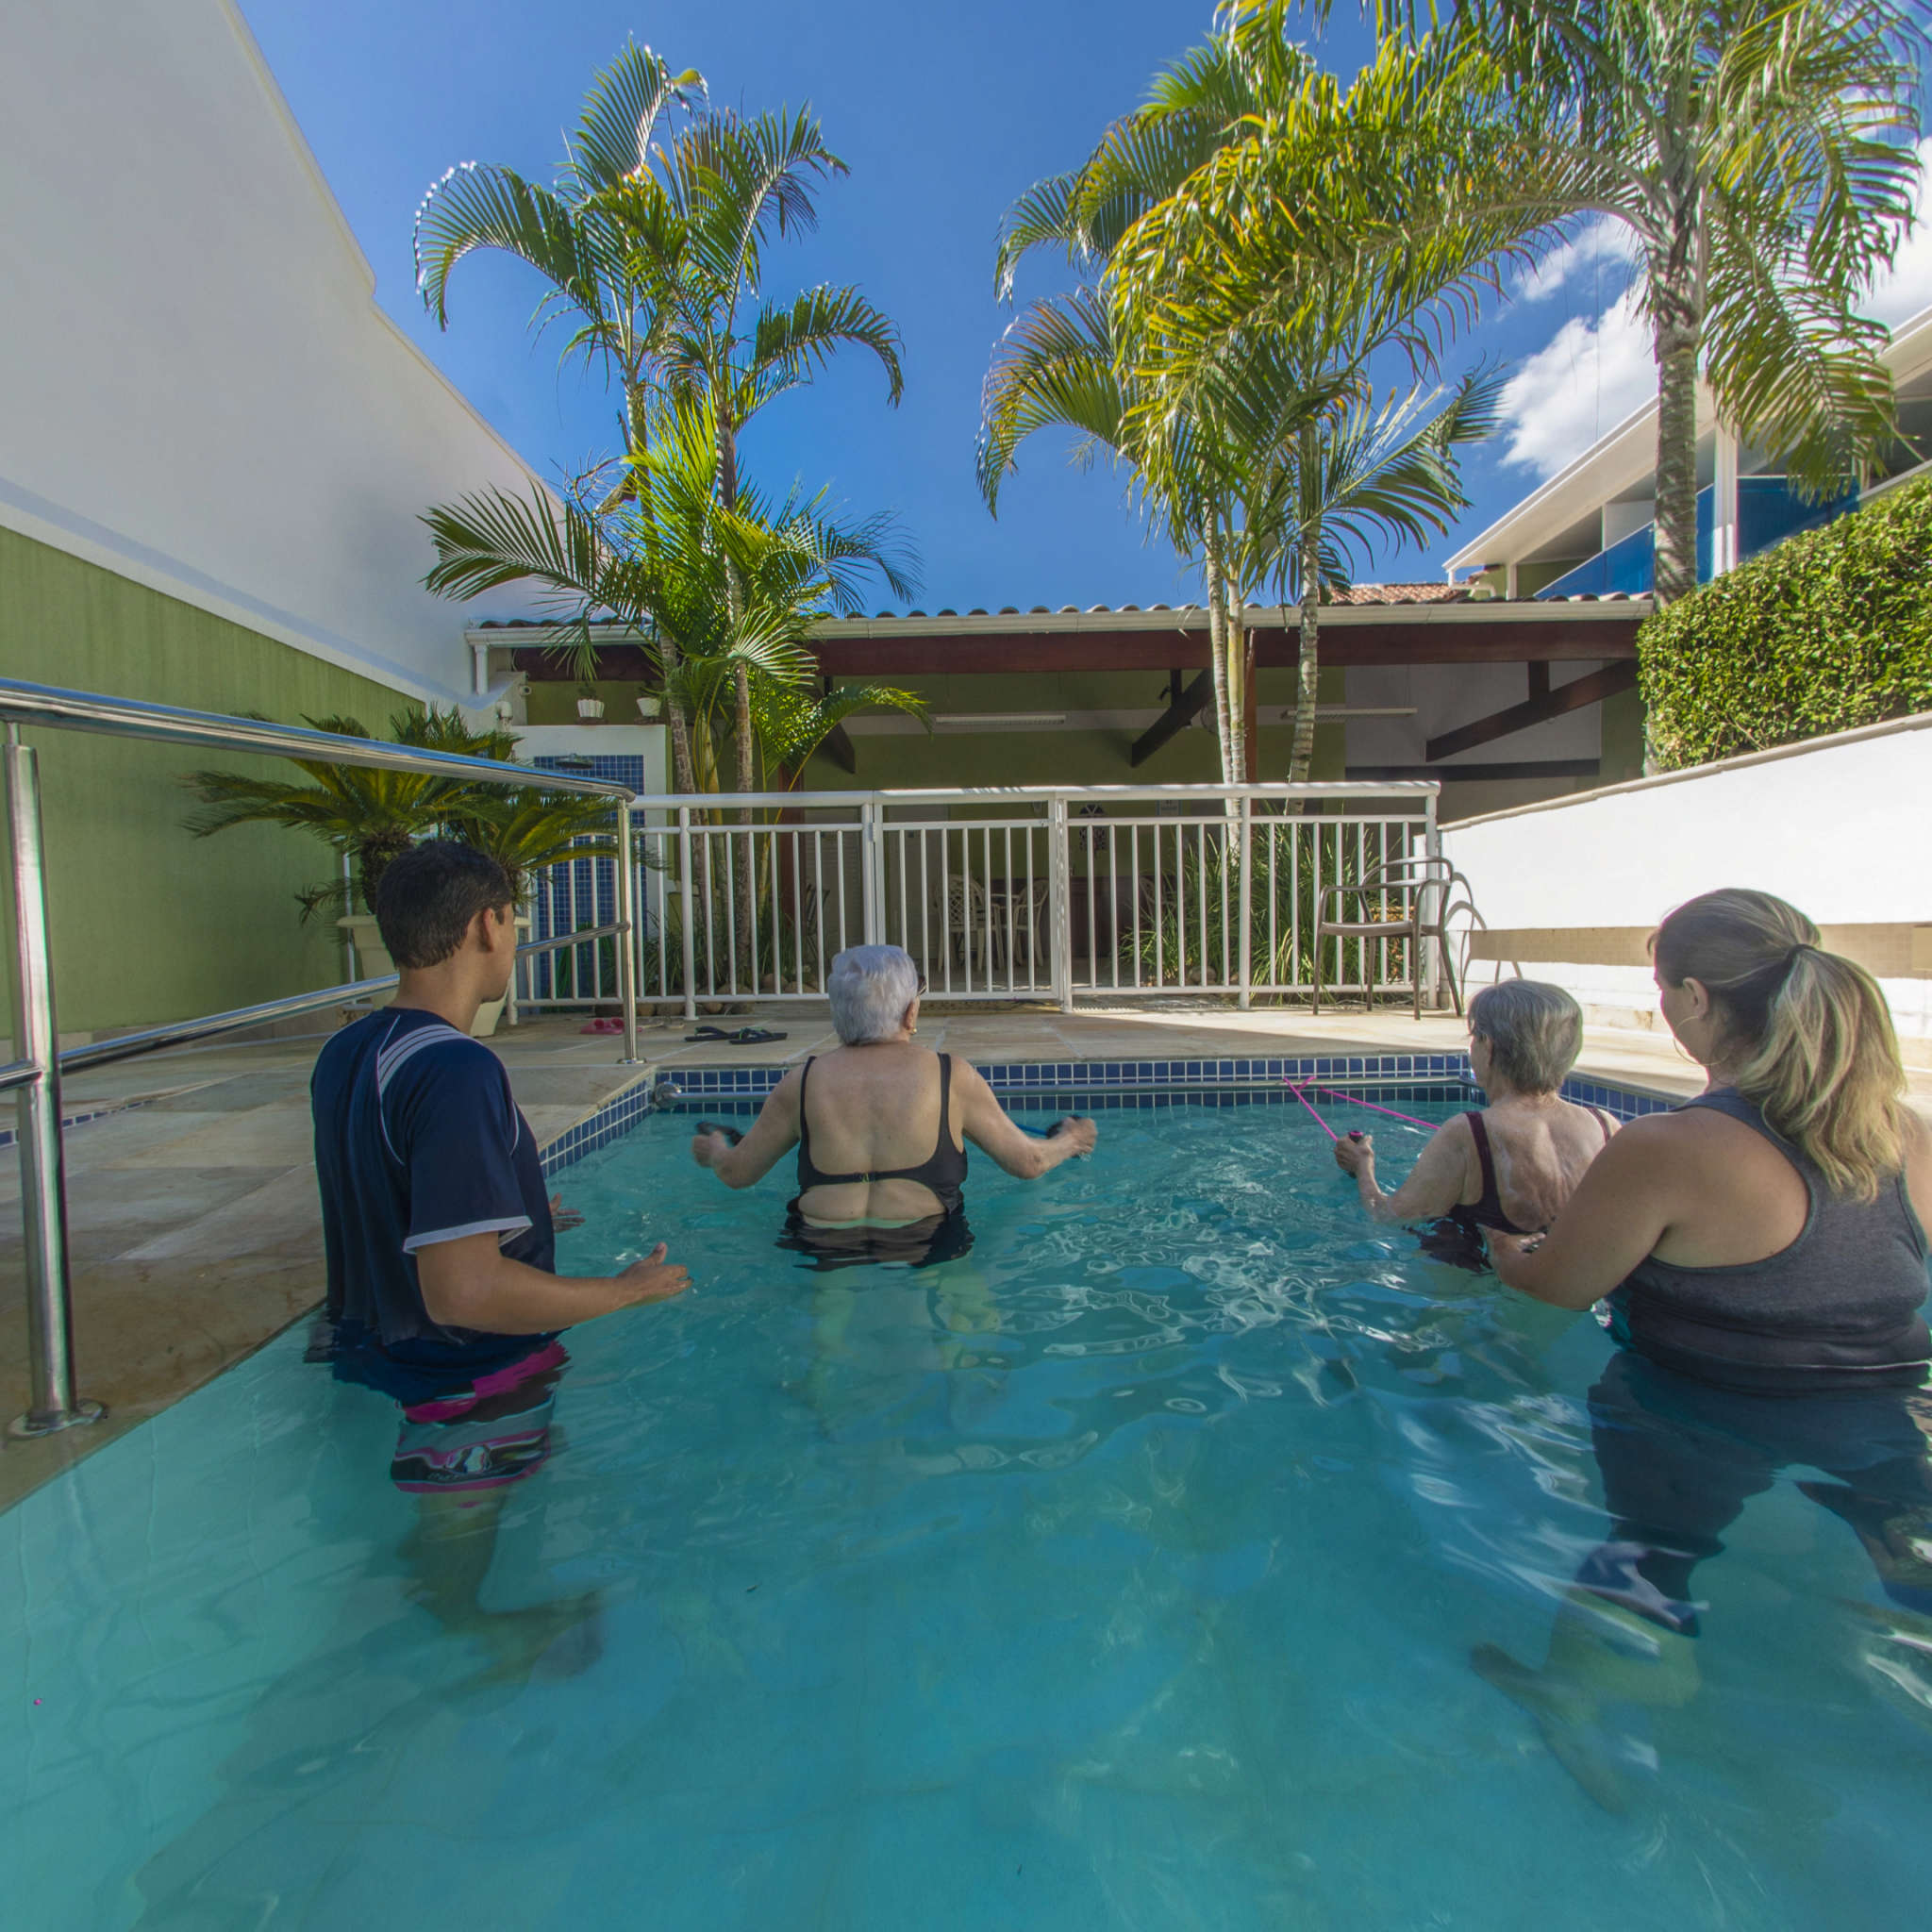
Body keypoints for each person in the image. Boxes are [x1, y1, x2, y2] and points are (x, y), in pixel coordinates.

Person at [1468, 890, 1932, 1810]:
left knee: (1652, 1549)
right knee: (1906, 1554)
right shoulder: (1903, 1131)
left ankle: (1573, 1698)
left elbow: (1556, 1286)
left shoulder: (1669, 1146)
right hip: (1881, 1401)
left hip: (1696, 1405)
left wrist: (1505, 1248)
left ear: (1689, 999)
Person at [309, 840, 690, 1670]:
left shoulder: (347, 1052)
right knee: (457, 1588)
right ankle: (482, 1642)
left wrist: (499, 1205)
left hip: (377, 1348)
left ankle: (438, 1598)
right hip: (464, 1380)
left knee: (435, 1540)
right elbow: (466, 1292)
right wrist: (626, 1291)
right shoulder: (457, 1069)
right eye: (514, 922)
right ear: (487, 925)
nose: (514, 940)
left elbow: (382, 1185)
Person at [690, 942, 1096, 1265]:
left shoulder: (801, 1083)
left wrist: (714, 1151)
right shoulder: (950, 1076)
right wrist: (1072, 1140)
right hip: (927, 1240)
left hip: (822, 1242)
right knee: (966, 1329)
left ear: (838, 1014)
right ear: (910, 1013)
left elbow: (737, 1173)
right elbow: (1029, 1163)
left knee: (825, 1347)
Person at [1332, 978, 1617, 1268]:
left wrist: (1362, 1167)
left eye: (1474, 1037)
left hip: (1472, 1291)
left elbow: (1387, 1218)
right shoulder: (1606, 1127)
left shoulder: (1470, 1133)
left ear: (1488, 1047)